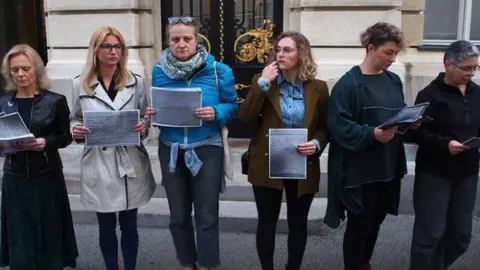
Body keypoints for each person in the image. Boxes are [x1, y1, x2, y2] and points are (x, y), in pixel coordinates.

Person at [146, 16, 238, 270]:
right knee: (178, 215)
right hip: (171, 149)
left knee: (207, 215)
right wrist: (152, 114)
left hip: (207, 147)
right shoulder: (159, 71)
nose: (182, 44)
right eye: (175, 39)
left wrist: (216, 112)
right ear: (168, 41)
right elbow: (157, 106)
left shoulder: (219, 71)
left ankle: (207, 264)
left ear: (197, 40)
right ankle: (187, 264)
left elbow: (232, 105)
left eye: (187, 38)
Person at [238, 31, 330, 270]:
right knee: (267, 223)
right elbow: (245, 117)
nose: (280, 54)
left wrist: (317, 144)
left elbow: (324, 127)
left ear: (302, 54)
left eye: (287, 50)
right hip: (268, 162)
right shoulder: (264, 80)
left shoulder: (317, 88)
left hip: (302, 162)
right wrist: (262, 84)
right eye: (278, 49)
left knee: (298, 223)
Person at [324, 22, 410, 270]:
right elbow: (338, 125)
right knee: (360, 223)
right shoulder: (348, 84)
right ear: (370, 48)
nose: (393, 59)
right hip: (360, 169)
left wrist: (408, 122)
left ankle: (364, 262)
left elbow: (396, 114)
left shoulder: (393, 80)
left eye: (395, 54)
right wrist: (371, 133)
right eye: (388, 53)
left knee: (377, 220)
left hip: (388, 163)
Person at [70, 26, 156, 270]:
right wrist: (75, 130)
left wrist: (144, 126)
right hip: (99, 162)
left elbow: (144, 119)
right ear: (96, 50)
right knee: (106, 226)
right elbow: (74, 118)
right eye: (107, 46)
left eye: (117, 46)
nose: (113, 52)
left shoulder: (135, 82)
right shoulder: (80, 84)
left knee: (130, 224)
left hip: (129, 162)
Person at [0, 44, 78, 269]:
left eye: (25, 68)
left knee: (50, 229)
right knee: (20, 232)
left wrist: (46, 143)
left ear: (37, 69)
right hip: (15, 176)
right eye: (15, 70)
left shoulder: (55, 101)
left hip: (47, 175)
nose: (20, 74)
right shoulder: (3, 103)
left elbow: (66, 136)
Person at [409, 40, 480, 270]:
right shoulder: (429, 94)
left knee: (461, 237)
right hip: (434, 173)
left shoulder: (478, 93)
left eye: (475, 68)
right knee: (429, 235)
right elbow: (418, 134)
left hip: (467, 173)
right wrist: (445, 145)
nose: (471, 73)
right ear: (448, 65)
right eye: (466, 68)